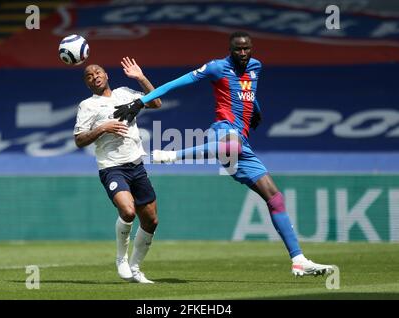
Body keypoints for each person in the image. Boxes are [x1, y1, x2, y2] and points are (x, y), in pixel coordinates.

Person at [113, 32, 333, 277]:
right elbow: (178, 82)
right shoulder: (217, 67)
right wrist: (142, 101)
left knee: (274, 197)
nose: (242, 53)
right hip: (224, 131)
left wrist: (255, 109)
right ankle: (171, 156)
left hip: (243, 140)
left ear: (252, 49)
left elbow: (247, 91)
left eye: (246, 49)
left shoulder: (256, 67)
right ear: (230, 49)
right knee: (231, 147)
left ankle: (298, 259)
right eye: (238, 49)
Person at [74, 58, 161, 283]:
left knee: (151, 221)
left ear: (107, 75)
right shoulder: (87, 105)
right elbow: (79, 140)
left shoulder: (125, 93)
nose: (95, 76)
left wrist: (141, 77)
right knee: (128, 211)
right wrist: (103, 127)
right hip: (112, 167)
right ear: (87, 84)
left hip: (136, 165)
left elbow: (156, 102)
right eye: (89, 76)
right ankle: (121, 259)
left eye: (98, 72)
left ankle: (135, 267)